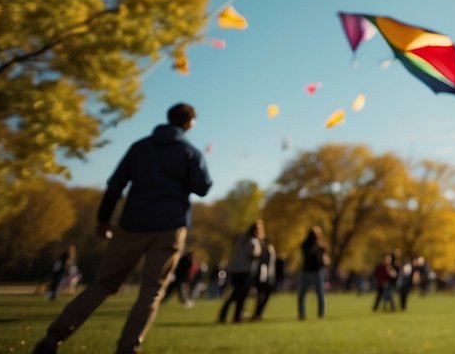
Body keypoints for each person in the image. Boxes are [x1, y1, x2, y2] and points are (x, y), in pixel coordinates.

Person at [33, 102, 212, 354]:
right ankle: (128, 349)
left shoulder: (140, 147)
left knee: (104, 283)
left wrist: (103, 219)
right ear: (189, 122)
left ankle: (54, 337)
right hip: (169, 228)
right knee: (151, 291)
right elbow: (202, 187)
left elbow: (115, 185)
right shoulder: (189, 151)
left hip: (132, 224)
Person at [218, 221, 262, 323]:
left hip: (235, 270)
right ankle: (236, 316)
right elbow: (255, 255)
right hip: (245, 271)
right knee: (241, 295)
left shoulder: (241, 240)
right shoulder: (253, 241)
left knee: (236, 294)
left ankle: (225, 315)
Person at [297, 226, 329, 319]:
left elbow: (324, 258)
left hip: (315, 271)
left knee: (320, 294)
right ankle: (302, 314)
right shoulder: (306, 245)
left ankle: (320, 314)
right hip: (308, 272)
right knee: (303, 294)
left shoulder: (320, 246)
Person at [251, 238, 277, 320]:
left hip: (267, 274)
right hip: (265, 275)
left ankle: (258, 313)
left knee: (263, 295)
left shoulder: (267, 249)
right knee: (262, 295)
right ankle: (257, 313)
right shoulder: (269, 249)